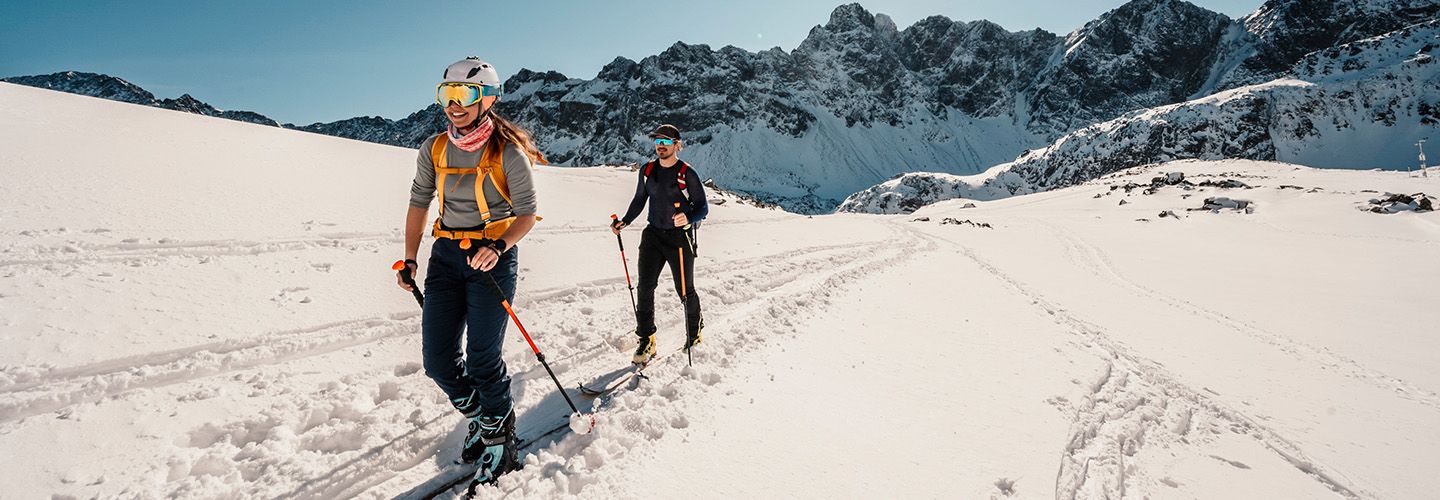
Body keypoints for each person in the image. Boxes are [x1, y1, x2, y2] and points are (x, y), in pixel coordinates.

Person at [396, 57, 544, 486]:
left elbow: (528, 214)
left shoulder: (507, 151)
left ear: (487, 99)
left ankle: (502, 438)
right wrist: (409, 259)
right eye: (447, 95)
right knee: (438, 361)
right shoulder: (434, 149)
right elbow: (419, 204)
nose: (453, 105)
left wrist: (498, 246)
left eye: (464, 96)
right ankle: (481, 416)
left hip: (492, 260)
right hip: (446, 258)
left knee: (482, 358)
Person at [611, 124, 709, 364]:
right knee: (644, 287)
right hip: (653, 235)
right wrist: (625, 221)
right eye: (657, 142)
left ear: (677, 145)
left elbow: (702, 207)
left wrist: (689, 217)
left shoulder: (687, 173)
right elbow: (639, 200)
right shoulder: (647, 170)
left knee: (685, 290)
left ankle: (694, 330)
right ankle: (647, 339)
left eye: (666, 142)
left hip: (679, 238)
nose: (660, 146)